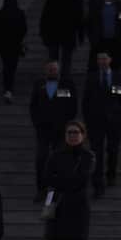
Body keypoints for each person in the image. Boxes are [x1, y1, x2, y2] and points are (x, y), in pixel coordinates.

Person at [41, 121, 96, 240]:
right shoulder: (56, 155)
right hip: (58, 205)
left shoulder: (88, 156)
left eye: (76, 132)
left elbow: (80, 180)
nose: (72, 135)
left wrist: (61, 180)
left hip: (77, 207)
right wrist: (64, 181)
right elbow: (48, 176)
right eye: (69, 132)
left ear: (82, 135)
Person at [82, 49, 121, 197]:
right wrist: (88, 121)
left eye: (104, 58)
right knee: (96, 152)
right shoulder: (91, 78)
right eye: (99, 59)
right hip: (96, 122)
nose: (102, 62)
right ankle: (98, 183)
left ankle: (111, 174)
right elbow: (86, 102)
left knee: (113, 150)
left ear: (110, 60)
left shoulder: (119, 78)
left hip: (114, 122)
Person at [29, 60, 78, 200]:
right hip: (43, 130)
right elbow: (33, 106)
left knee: (60, 161)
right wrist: (37, 123)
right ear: (45, 70)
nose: (52, 71)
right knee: (41, 159)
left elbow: (73, 105)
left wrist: (67, 124)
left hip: (61, 130)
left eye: (54, 69)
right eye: (49, 69)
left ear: (59, 70)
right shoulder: (39, 85)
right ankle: (41, 189)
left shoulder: (67, 84)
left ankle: (57, 190)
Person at [39, 0, 85, 79]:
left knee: (53, 57)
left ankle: (52, 77)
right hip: (69, 33)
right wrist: (81, 36)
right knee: (67, 59)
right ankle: (65, 79)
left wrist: (43, 32)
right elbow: (80, 19)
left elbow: (45, 17)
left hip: (53, 33)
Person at [0, 0, 27, 103]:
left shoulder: (0, 14)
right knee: (12, 67)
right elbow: (24, 29)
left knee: (6, 66)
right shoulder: (20, 13)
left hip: (3, 45)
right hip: (15, 44)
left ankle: (7, 88)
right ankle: (9, 89)